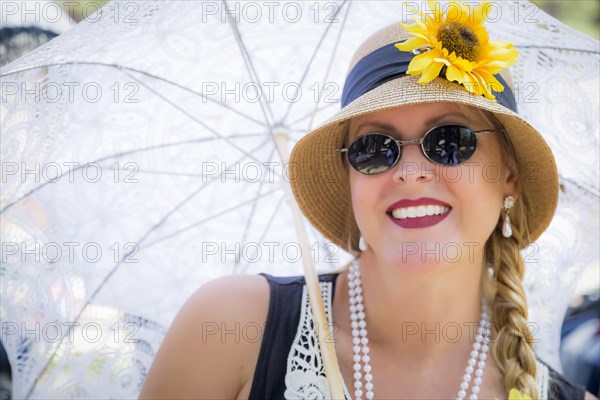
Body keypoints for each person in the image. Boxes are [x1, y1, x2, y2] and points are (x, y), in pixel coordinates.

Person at [139, 4, 597, 399]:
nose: (411, 171)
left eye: (449, 141)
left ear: (510, 177)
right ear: (350, 180)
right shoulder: (230, 328)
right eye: (375, 148)